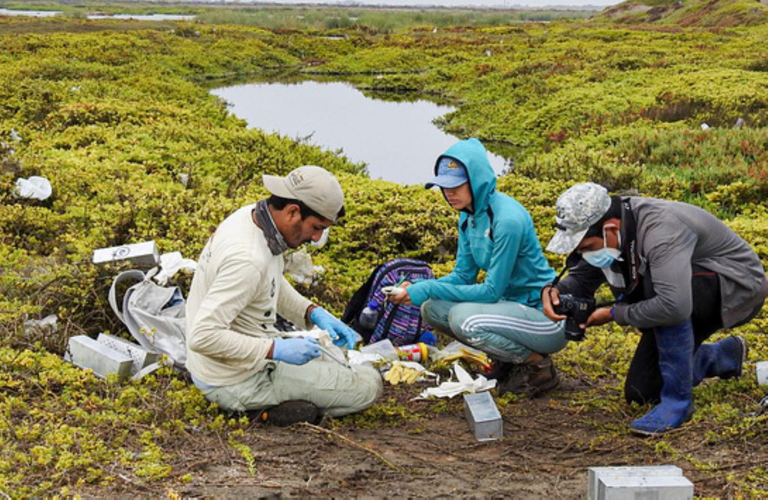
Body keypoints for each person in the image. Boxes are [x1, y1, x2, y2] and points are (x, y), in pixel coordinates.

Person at [542, 182, 768, 435]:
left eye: (586, 247)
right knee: (642, 392)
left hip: (736, 289)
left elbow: (674, 306)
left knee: (661, 291)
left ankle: (678, 403)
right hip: (681, 291)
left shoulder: (661, 232)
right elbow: (583, 277)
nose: (585, 254)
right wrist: (557, 292)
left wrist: (615, 314)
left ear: (610, 228)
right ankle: (721, 356)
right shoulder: (612, 228)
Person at [186, 165, 382, 425]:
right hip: (234, 378)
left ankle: (289, 399)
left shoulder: (251, 218)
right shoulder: (247, 260)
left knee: (334, 355)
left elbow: (269, 282)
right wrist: (275, 348)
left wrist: (312, 313)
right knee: (368, 385)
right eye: (316, 227)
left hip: (232, 360)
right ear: (292, 211)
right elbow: (203, 336)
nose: (316, 238)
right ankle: (259, 408)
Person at [389, 138, 567, 396]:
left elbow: (491, 292)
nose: (449, 193)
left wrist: (426, 286)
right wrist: (418, 288)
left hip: (545, 317)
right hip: (510, 310)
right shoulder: (468, 215)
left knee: (465, 320)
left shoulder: (507, 220)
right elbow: (463, 275)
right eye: (444, 187)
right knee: (432, 309)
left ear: (477, 180)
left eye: (456, 186)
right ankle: (507, 360)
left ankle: (538, 366)